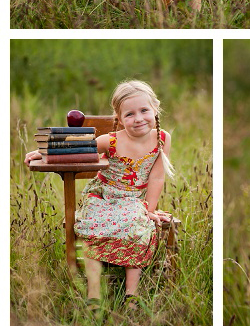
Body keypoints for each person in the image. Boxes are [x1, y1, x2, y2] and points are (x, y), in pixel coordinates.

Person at [25, 80, 175, 313]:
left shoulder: (162, 138)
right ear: (119, 117)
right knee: (92, 227)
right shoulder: (110, 141)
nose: (138, 118)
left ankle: (131, 295)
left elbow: (156, 177)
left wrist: (150, 209)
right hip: (103, 197)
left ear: (155, 108)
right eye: (130, 114)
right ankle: (94, 294)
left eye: (144, 110)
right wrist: (44, 151)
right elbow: (78, 149)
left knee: (140, 224)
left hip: (133, 201)